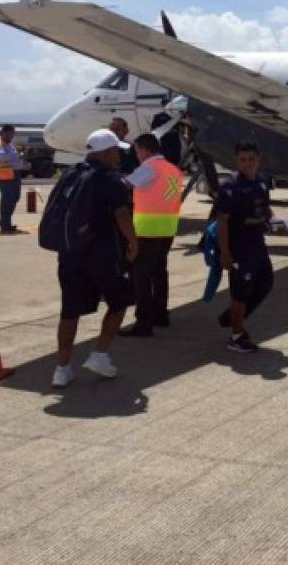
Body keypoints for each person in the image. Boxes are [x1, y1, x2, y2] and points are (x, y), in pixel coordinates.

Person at [51, 129, 138, 388]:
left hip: (70, 253)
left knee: (70, 311)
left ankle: (62, 369)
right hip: (103, 254)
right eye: (117, 151)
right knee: (120, 301)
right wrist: (133, 242)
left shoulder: (71, 174)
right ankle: (100, 354)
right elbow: (122, 215)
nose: (119, 156)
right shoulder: (111, 180)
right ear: (107, 152)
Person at [119, 133, 184, 337]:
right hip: (168, 228)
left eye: (137, 151)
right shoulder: (173, 169)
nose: (137, 155)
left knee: (141, 276)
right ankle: (160, 314)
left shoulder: (149, 168)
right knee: (159, 273)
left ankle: (143, 322)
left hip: (147, 230)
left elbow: (125, 184)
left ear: (145, 150)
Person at [215, 140, 274, 353]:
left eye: (251, 159)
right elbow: (222, 221)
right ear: (236, 161)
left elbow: (265, 208)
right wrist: (225, 251)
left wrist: (275, 221)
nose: (247, 164)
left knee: (266, 282)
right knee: (241, 291)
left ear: (258, 160)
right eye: (242, 160)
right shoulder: (231, 187)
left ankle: (231, 318)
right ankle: (236, 336)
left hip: (257, 242)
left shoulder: (262, 181)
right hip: (239, 246)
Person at [0, 124, 27, 233]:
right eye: (10, 134)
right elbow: (3, 157)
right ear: (4, 133)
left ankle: (4, 221)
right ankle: (5, 224)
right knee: (7, 200)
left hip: (13, 174)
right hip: (4, 176)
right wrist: (18, 155)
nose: (12, 137)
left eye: (12, 135)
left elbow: (14, 160)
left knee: (15, 197)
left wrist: (22, 164)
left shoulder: (10, 144)